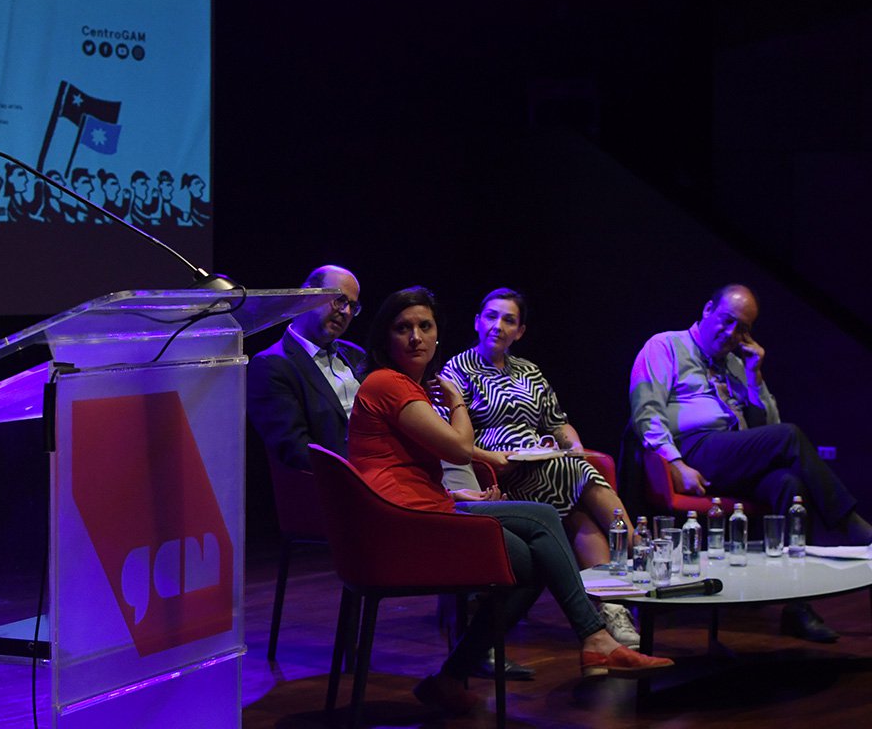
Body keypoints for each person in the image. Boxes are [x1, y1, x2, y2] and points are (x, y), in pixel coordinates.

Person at [348, 287, 672, 716]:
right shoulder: (391, 383)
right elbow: (458, 449)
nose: (415, 337)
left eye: (425, 326)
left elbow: (405, 467)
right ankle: (596, 634)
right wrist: (457, 403)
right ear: (384, 336)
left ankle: (450, 679)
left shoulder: (414, 385)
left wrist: (456, 493)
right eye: (402, 328)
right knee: (542, 519)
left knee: (532, 556)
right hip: (405, 525)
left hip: (425, 508)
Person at [630, 283, 872, 643]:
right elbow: (646, 412)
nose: (732, 333)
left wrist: (755, 375)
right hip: (695, 451)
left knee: (790, 486)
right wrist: (676, 464)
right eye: (727, 321)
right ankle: (851, 526)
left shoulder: (736, 364)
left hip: (732, 458)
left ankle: (798, 607)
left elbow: (767, 428)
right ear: (708, 309)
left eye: (742, 328)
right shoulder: (665, 345)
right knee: (790, 436)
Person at [439, 288, 640, 645]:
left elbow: (557, 423)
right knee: (575, 475)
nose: (498, 326)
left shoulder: (529, 371)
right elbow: (447, 436)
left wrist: (574, 447)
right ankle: (637, 551)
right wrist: (490, 459)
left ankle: (610, 604)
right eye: (491, 316)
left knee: (578, 502)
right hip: (496, 468)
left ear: (520, 331)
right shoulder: (458, 369)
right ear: (477, 321)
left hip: (541, 464)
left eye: (509, 320)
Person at [248, 265, 365, 472]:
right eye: (339, 300)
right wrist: (359, 475)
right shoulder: (271, 365)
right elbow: (297, 451)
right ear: (307, 295)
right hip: (340, 480)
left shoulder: (356, 355)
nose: (346, 311)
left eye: (352, 306)